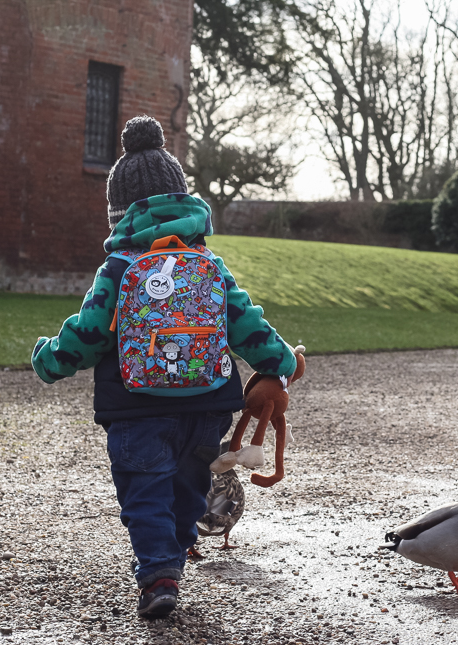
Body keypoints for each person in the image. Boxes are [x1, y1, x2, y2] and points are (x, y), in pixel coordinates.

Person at [30, 115, 299, 619]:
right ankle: (171, 559)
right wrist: (281, 362)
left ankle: (159, 574)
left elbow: (87, 334)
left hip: (136, 410)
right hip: (207, 405)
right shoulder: (209, 264)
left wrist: (49, 359)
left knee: (144, 492)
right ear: (183, 202)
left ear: (118, 215)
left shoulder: (119, 268)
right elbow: (245, 323)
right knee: (188, 492)